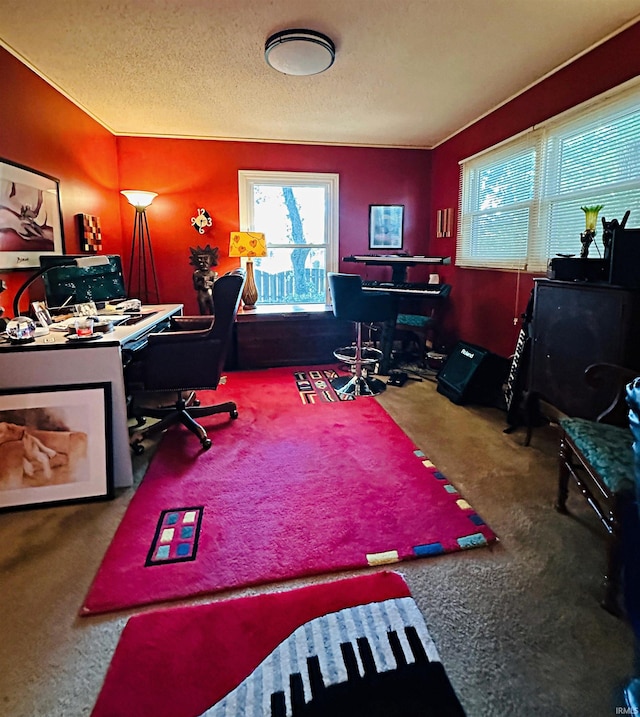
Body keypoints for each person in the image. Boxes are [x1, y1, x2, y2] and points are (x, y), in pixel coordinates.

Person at [189, 245, 219, 315]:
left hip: (210, 294)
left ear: (211, 260)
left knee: (213, 311)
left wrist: (208, 283)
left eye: (205, 259)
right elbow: (195, 287)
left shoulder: (213, 274)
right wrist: (202, 283)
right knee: (202, 311)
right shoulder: (196, 274)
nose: (202, 262)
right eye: (200, 259)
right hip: (201, 294)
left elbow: (215, 286)